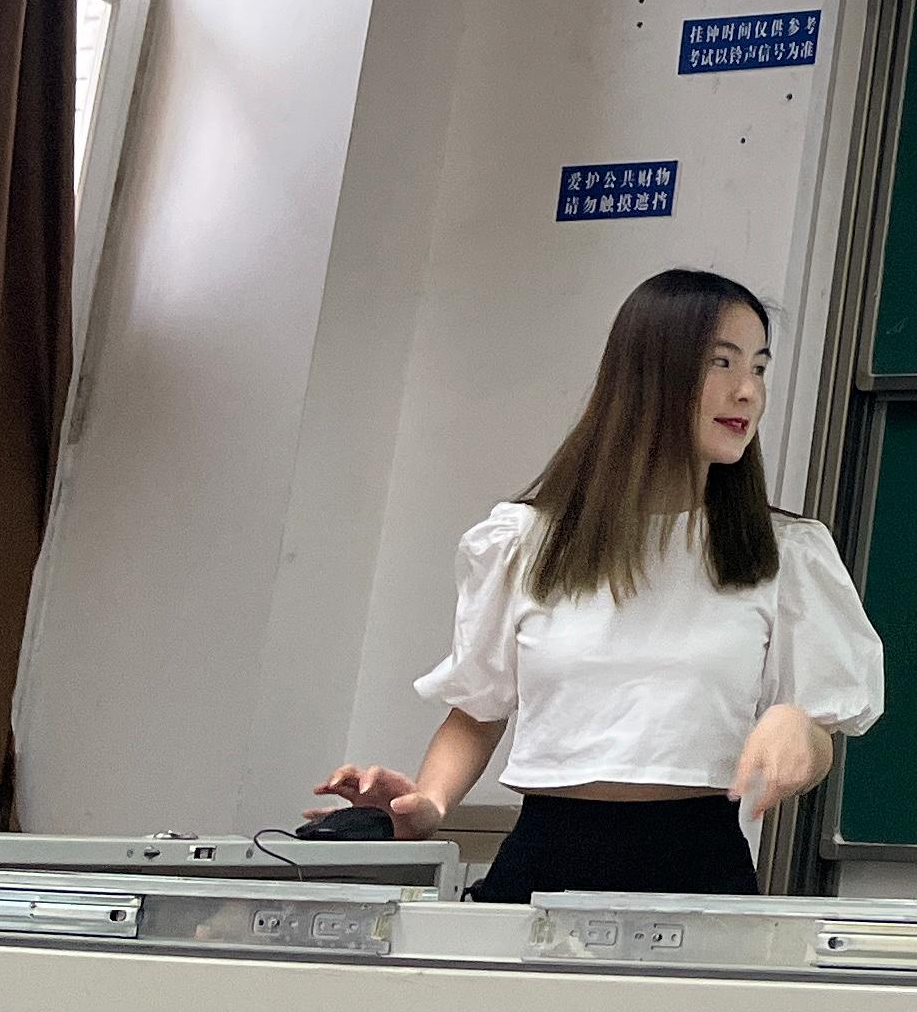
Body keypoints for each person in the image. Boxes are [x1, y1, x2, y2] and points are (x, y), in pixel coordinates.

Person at [311, 267, 882, 903]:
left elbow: (821, 730)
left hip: (699, 870)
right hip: (540, 865)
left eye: (759, 368)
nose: (747, 391)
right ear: (648, 373)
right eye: (722, 363)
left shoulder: (784, 553)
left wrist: (799, 724)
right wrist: (430, 804)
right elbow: (477, 711)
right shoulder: (525, 541)